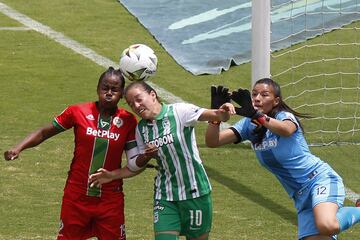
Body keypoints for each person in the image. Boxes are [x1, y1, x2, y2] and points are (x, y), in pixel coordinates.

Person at [3, 67, 155, 240]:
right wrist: (18, 147)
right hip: (76, 197)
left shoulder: (128, 121)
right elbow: (44, 132)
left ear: (121, 95)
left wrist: (145, 157)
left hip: (110, 199)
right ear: (97, 89)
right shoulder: (77, 112)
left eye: (115, 89)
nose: (109, 93)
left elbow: (133, 160)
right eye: (105, 88)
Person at [205, 78, 360, 240]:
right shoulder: (247, 125)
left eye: (264, 95)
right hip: (300, 196)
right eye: (254, 94)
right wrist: (215, 116)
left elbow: (286, 130)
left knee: (327, 225)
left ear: (276, 100)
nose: (257, 98)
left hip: (319, 180)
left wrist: (257, 115)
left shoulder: (284, 116)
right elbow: (213, 141)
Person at [89, 81, 232, 240]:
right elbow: (136, 166)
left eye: (138, 99)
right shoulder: (141, 129)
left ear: (152, 94)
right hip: (165, 195)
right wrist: (112, 175)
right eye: (131, 104)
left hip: (196, 193)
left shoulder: (180, 112)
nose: (136, 106)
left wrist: (224, 110)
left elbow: (219, 115)